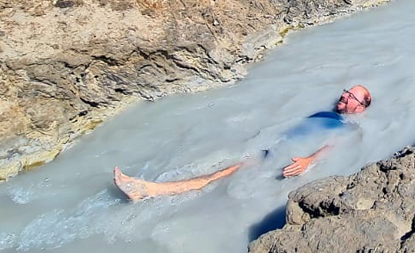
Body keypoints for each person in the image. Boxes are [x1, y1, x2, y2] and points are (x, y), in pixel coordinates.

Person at [113, 85, 372, 201]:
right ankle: (150, 191)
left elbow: (333, 146)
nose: (345, 96)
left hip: (287, 161)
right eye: (346, 92)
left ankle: (151, 191)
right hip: (272, 150)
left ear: (360, 108)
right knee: (214, 177)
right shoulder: (329, 113)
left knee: (215, 182)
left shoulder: (349, 126)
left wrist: (309, 161)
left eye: (352, 97)